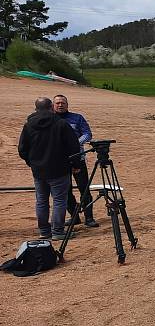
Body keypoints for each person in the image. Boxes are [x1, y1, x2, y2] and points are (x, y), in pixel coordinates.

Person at [18, 97, 81, 241]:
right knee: (59, 200)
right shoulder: (61, 124)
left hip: (39, 171)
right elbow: (74, 146)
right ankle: (58, 231)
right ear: (51, 107)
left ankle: (44, 231)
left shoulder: (28, 125)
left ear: (36, 109)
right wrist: (76, 165)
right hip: (59, 170)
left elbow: (22, 149)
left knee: (41, 201)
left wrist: (32, 162)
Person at [53, 94, 99, 228]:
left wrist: (74, 143)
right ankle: (74, 217)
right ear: (53, 105)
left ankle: (89, 217)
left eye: (63, 103)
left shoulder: (77, 118)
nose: (60, 105)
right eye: (58, 103)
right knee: (65, 190)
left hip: (78, 158)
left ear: (67, 105)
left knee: (83, 188)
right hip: (59, 161)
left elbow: (87, 133)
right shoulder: (50, 120)